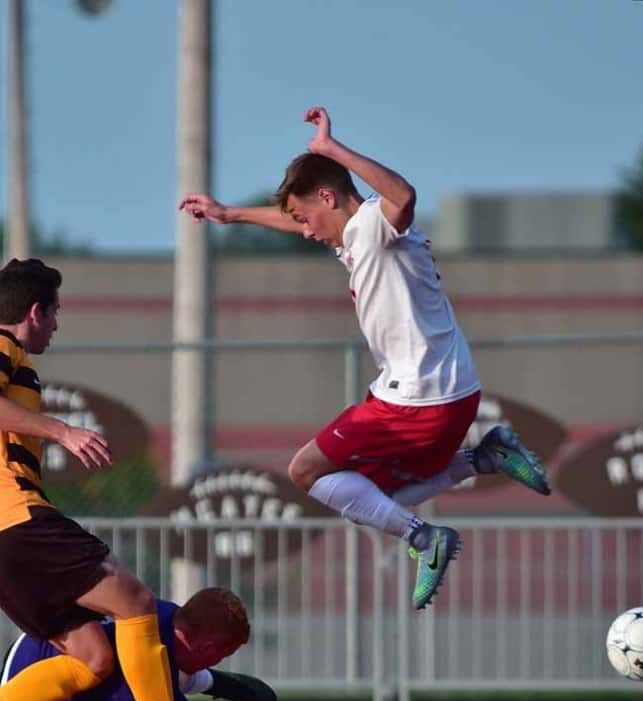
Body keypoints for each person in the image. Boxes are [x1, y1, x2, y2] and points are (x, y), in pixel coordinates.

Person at [180, 106, 550, 610]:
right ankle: (486, 457)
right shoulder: (354, 233)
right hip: (447, 392)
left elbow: (404, 196)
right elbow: (303, 221)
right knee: (371, 503)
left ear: (330, 196)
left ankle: (428, 540)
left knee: (307, 471)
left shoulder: (376, 223)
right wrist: (230, 214)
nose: (307, 231)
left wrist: (335, 151)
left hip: (417, 398)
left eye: (307, 217)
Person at [0, 257, 214, 701]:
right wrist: (62, 430)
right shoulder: (4, 345)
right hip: (19, 521)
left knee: (95, 659)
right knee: (136, 600)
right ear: (35, 311)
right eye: (55, 314)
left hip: (9, 534)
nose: (56, 325)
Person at [1, 587, 276, 701]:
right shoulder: (136, 668)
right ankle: (208, 681)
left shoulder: (164, 613)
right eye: (220, 654)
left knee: (160, 683)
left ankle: (208, 681)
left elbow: (165, 671)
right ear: (208, 648)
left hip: (32, 648)